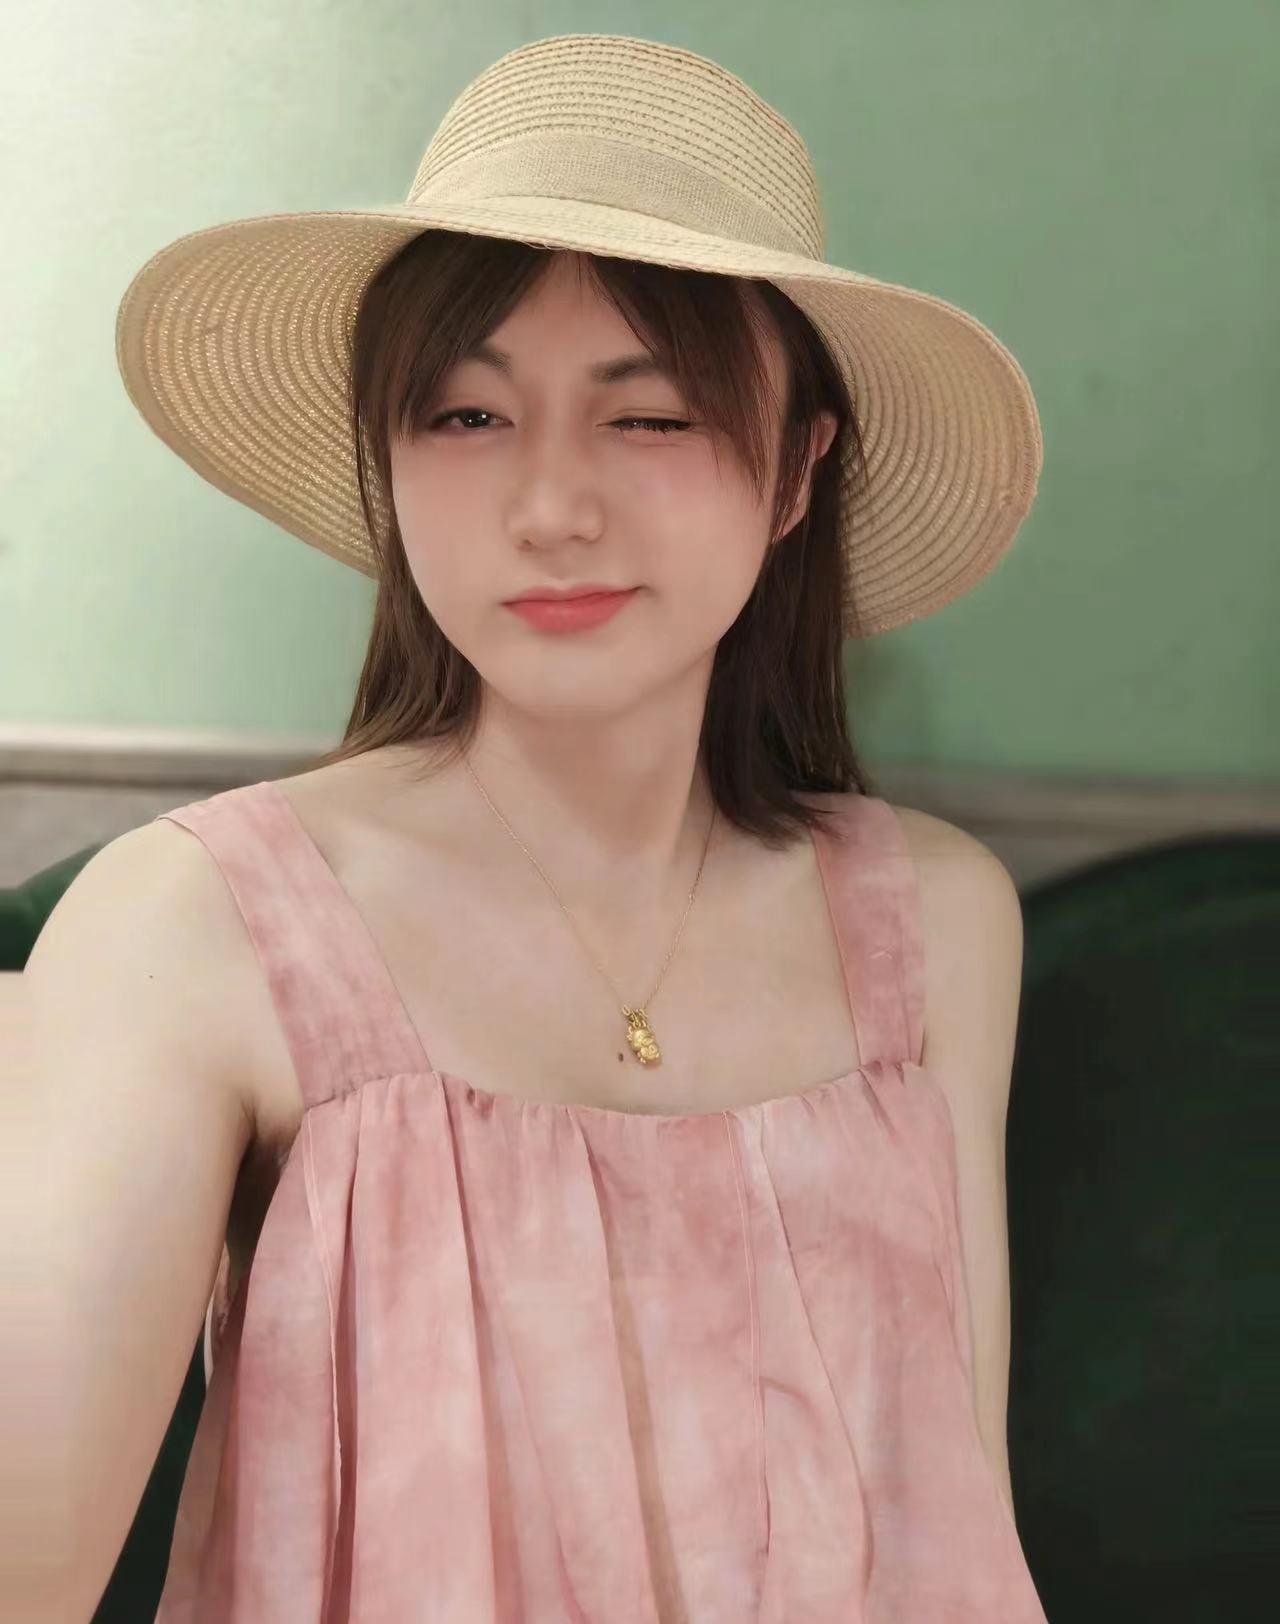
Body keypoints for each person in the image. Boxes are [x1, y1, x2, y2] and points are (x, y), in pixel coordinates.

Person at [21, 32, 1048, 1622]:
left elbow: (953, 1539)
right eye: (464, 417)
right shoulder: (197, 922)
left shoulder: (936, 922)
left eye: (652, 417)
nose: (551, 506)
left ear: (797, 474)